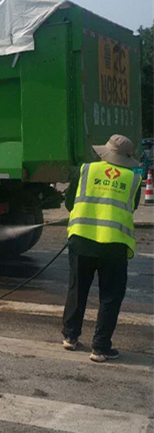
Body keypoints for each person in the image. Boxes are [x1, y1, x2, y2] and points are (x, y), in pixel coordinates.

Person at [62, 134, 141, 363]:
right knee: (110, 296)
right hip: (114, 246)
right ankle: (100, 347)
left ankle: (70, 336)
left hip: (82, 240)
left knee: (77, 289)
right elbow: (132, 207)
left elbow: (69, 203)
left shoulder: (85, 170)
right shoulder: (133, 179)